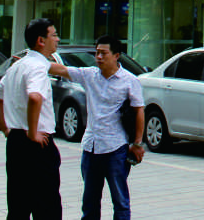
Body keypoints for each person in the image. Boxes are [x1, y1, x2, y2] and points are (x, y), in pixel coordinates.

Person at [48, 35, 145, 220]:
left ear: (116, 55)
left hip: (116, 148)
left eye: (103, 53)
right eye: (97, 53)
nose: (99, 57)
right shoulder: (89, 75)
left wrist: (137, 143)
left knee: (120, 200)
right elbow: (62, 69)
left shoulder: (129, 80)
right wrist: (32, 64)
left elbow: (139, 111)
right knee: (90, 200)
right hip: (91, 148)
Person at [0, 18, 62, 220]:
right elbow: (35, 97)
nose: (57, 39)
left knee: (18, 206)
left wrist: (6, 130)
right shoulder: (37, 67)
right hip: (37, 144)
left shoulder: (16, 66)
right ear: (41, 40)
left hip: (16, 143)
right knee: (46, 208)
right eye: (54, 35)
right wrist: (32, 132)